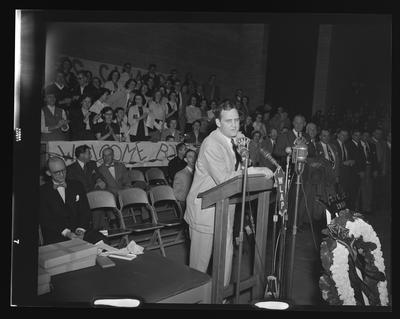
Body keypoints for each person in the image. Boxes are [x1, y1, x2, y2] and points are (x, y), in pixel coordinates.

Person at [184, 101, 273, 287]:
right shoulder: (211, 144)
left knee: (225, 262)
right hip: (206, 211)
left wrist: (246, 157)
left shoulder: (235, 140)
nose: (234, 125)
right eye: (228, 121)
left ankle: (221, 300)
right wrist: (257, 170)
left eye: (236, 120)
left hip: (226, 209)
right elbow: (225, 180)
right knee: (198, 271)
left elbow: (240, 169)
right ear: (218, 122)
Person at [40, 156, 108, 245]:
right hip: (58, 234)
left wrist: (81, 229)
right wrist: (67, 233)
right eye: (57, 172)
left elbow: (85, 211)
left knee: (102, 240)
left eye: (64, 170)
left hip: (79, 231)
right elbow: (46, 219)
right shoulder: (42, 192)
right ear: (48, 173)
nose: (62, 174)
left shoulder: (77, 185)